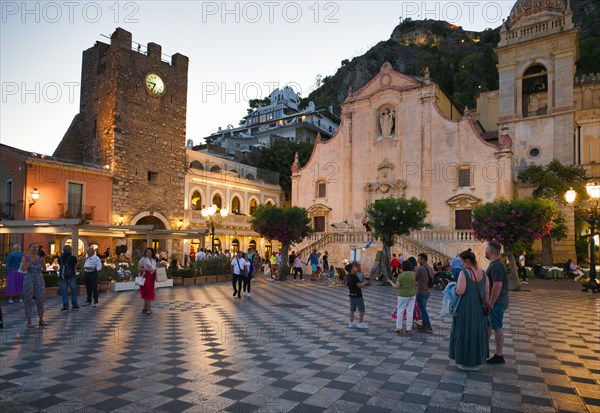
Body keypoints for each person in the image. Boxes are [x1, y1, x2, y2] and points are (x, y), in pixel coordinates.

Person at [449, 250, 489, 371]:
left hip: (465, 308)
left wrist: (452, 289)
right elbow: (487, 292)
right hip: (479, 308)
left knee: (464, 332)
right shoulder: (483, 273)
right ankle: (476, 362)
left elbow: (460, 291)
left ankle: (463, 361)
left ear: (466, 261)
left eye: (461, 261)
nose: (460, 263)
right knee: (477, 333)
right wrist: (485, 304)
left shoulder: (464, 273)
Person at [485, 241, 509, 365]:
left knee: (497, 327)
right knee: (489, 326)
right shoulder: (495, 264)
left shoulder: (497, 265)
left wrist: (491, 302)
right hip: (496, 302)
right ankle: (483, 350)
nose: (485, 251)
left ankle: (499, 355)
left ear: (490, 251)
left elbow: (497, 285)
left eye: (486, 248)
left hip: (497, 302)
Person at [20, 243, 47, 328]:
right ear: (29, 248)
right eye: (33, 247)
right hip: (28, 279)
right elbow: (23, 268)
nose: (35, 249)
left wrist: (43, 262)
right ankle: (29, 321)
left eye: (36, 247)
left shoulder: (40, 258)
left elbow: (44, 269)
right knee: (28, 300)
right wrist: (30, 262)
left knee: (40, 299)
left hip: (39, 279)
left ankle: (41, 319)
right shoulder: (26, 257)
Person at [390, 261, 416, 334]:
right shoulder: (413, 274)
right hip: (412, 294)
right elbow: (415, 284)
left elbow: (396, 287)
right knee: (410, 311)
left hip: (403, 295)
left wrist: (391, 282)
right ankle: (408, 328)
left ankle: (399, 327)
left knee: (400, 310)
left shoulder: (401, 276)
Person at [347, 262, 369, 329]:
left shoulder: (349, 276)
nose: (356, 267)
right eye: (354, 267)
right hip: (358, 296)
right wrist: (365, 282)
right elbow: (359, 285)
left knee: (352, 309)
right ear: (352, 270)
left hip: (351, 295)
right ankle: (360, 323)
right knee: (362, 309)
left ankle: (351, 322)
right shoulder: (354, 276)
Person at [415, 253, 434, 333]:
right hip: (427, 291)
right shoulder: (430, 268)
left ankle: (429, 327)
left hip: (421, 291)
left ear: (423, 259)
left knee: (422, 310)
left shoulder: (420, 268)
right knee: (423, 308)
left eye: (419, 259)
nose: (418, 261)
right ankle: (424, 324)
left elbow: (415, 278)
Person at [58, 245, 79, 311]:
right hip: (71, 275)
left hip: (63, 276)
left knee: (64, 291)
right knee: (74, 291)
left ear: (63, 250)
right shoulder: (73, 258)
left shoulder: (60, 258)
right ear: (70, 250)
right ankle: (74, 305)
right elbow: (75, 266)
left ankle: (65, 306)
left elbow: (60, 265)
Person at [138, 248, 157, 314]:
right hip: (145, 276)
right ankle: (149, 309)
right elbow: (139, 268)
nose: (148, 253)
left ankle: (145, 307)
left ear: (152, 253)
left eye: (149, 252)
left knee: (148, 291)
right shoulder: (143, 259)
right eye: (147, 252)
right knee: (148, 292)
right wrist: (146, 269)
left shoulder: (154, 260)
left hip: (151, 277)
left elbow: (155, 269)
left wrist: (156, 276)